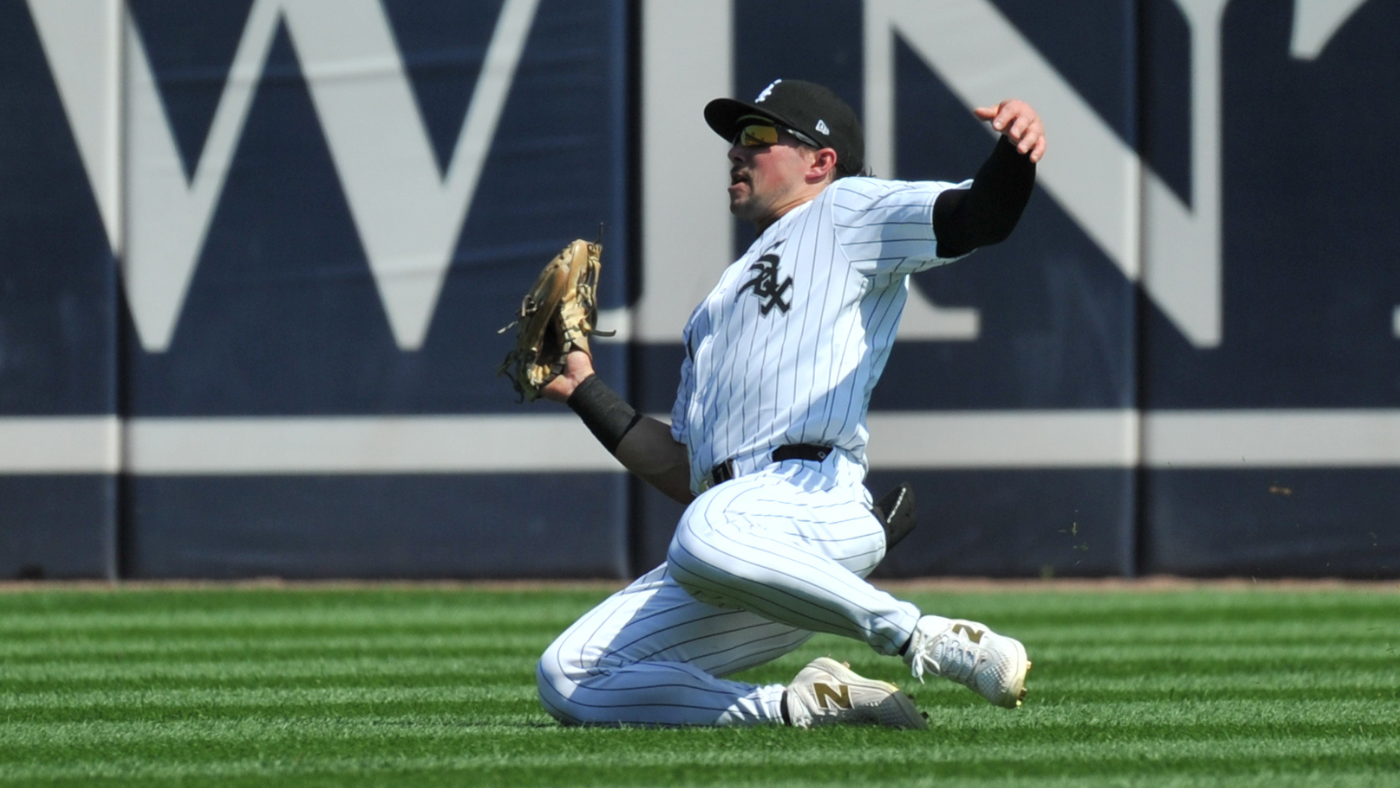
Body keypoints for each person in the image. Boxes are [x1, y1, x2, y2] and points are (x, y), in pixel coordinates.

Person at [535, 79, 1045, 728]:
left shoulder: (847, 211)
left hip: (811, 497)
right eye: (733, 139)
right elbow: (681, 468)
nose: (734, 152)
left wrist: (1016, 153)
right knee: (568, 675)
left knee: (707, 528)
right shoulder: (711, 311)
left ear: (820, 162)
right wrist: (582, 389)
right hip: (745, 549)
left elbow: (978, 217)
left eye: (756, 137)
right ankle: (797, 706)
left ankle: (923, 639)